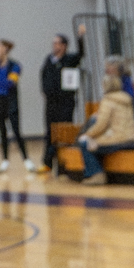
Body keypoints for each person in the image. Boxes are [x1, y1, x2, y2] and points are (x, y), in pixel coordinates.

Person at [74, 62, 134, 185]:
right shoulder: (127, 98)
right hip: (131, 138)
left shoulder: (108, 100)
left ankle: (96, 174)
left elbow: (101, 125)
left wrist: (87, 135)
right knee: (94, 141)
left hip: (118, 139)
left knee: (84, 142)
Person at [40, 26, 87, 176]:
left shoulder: (70, 59)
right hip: (51, 102)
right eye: (53, 43)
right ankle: (47, 163)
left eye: (57, 43)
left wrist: (80, 38)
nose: (54, 46)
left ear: (64, 46)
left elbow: (81, 54)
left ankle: (63, 165)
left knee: (64, 132)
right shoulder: (49, 59)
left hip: (65, 101)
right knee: (50, 132)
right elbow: (43, 75)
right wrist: (44, 91)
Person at [0, 37, 28, 172]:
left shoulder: (15, 65)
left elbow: (10, 83)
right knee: (2, 131)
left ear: (5, 49)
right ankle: (5, 160)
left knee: (16, 131)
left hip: (10, 101)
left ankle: (26, 159)